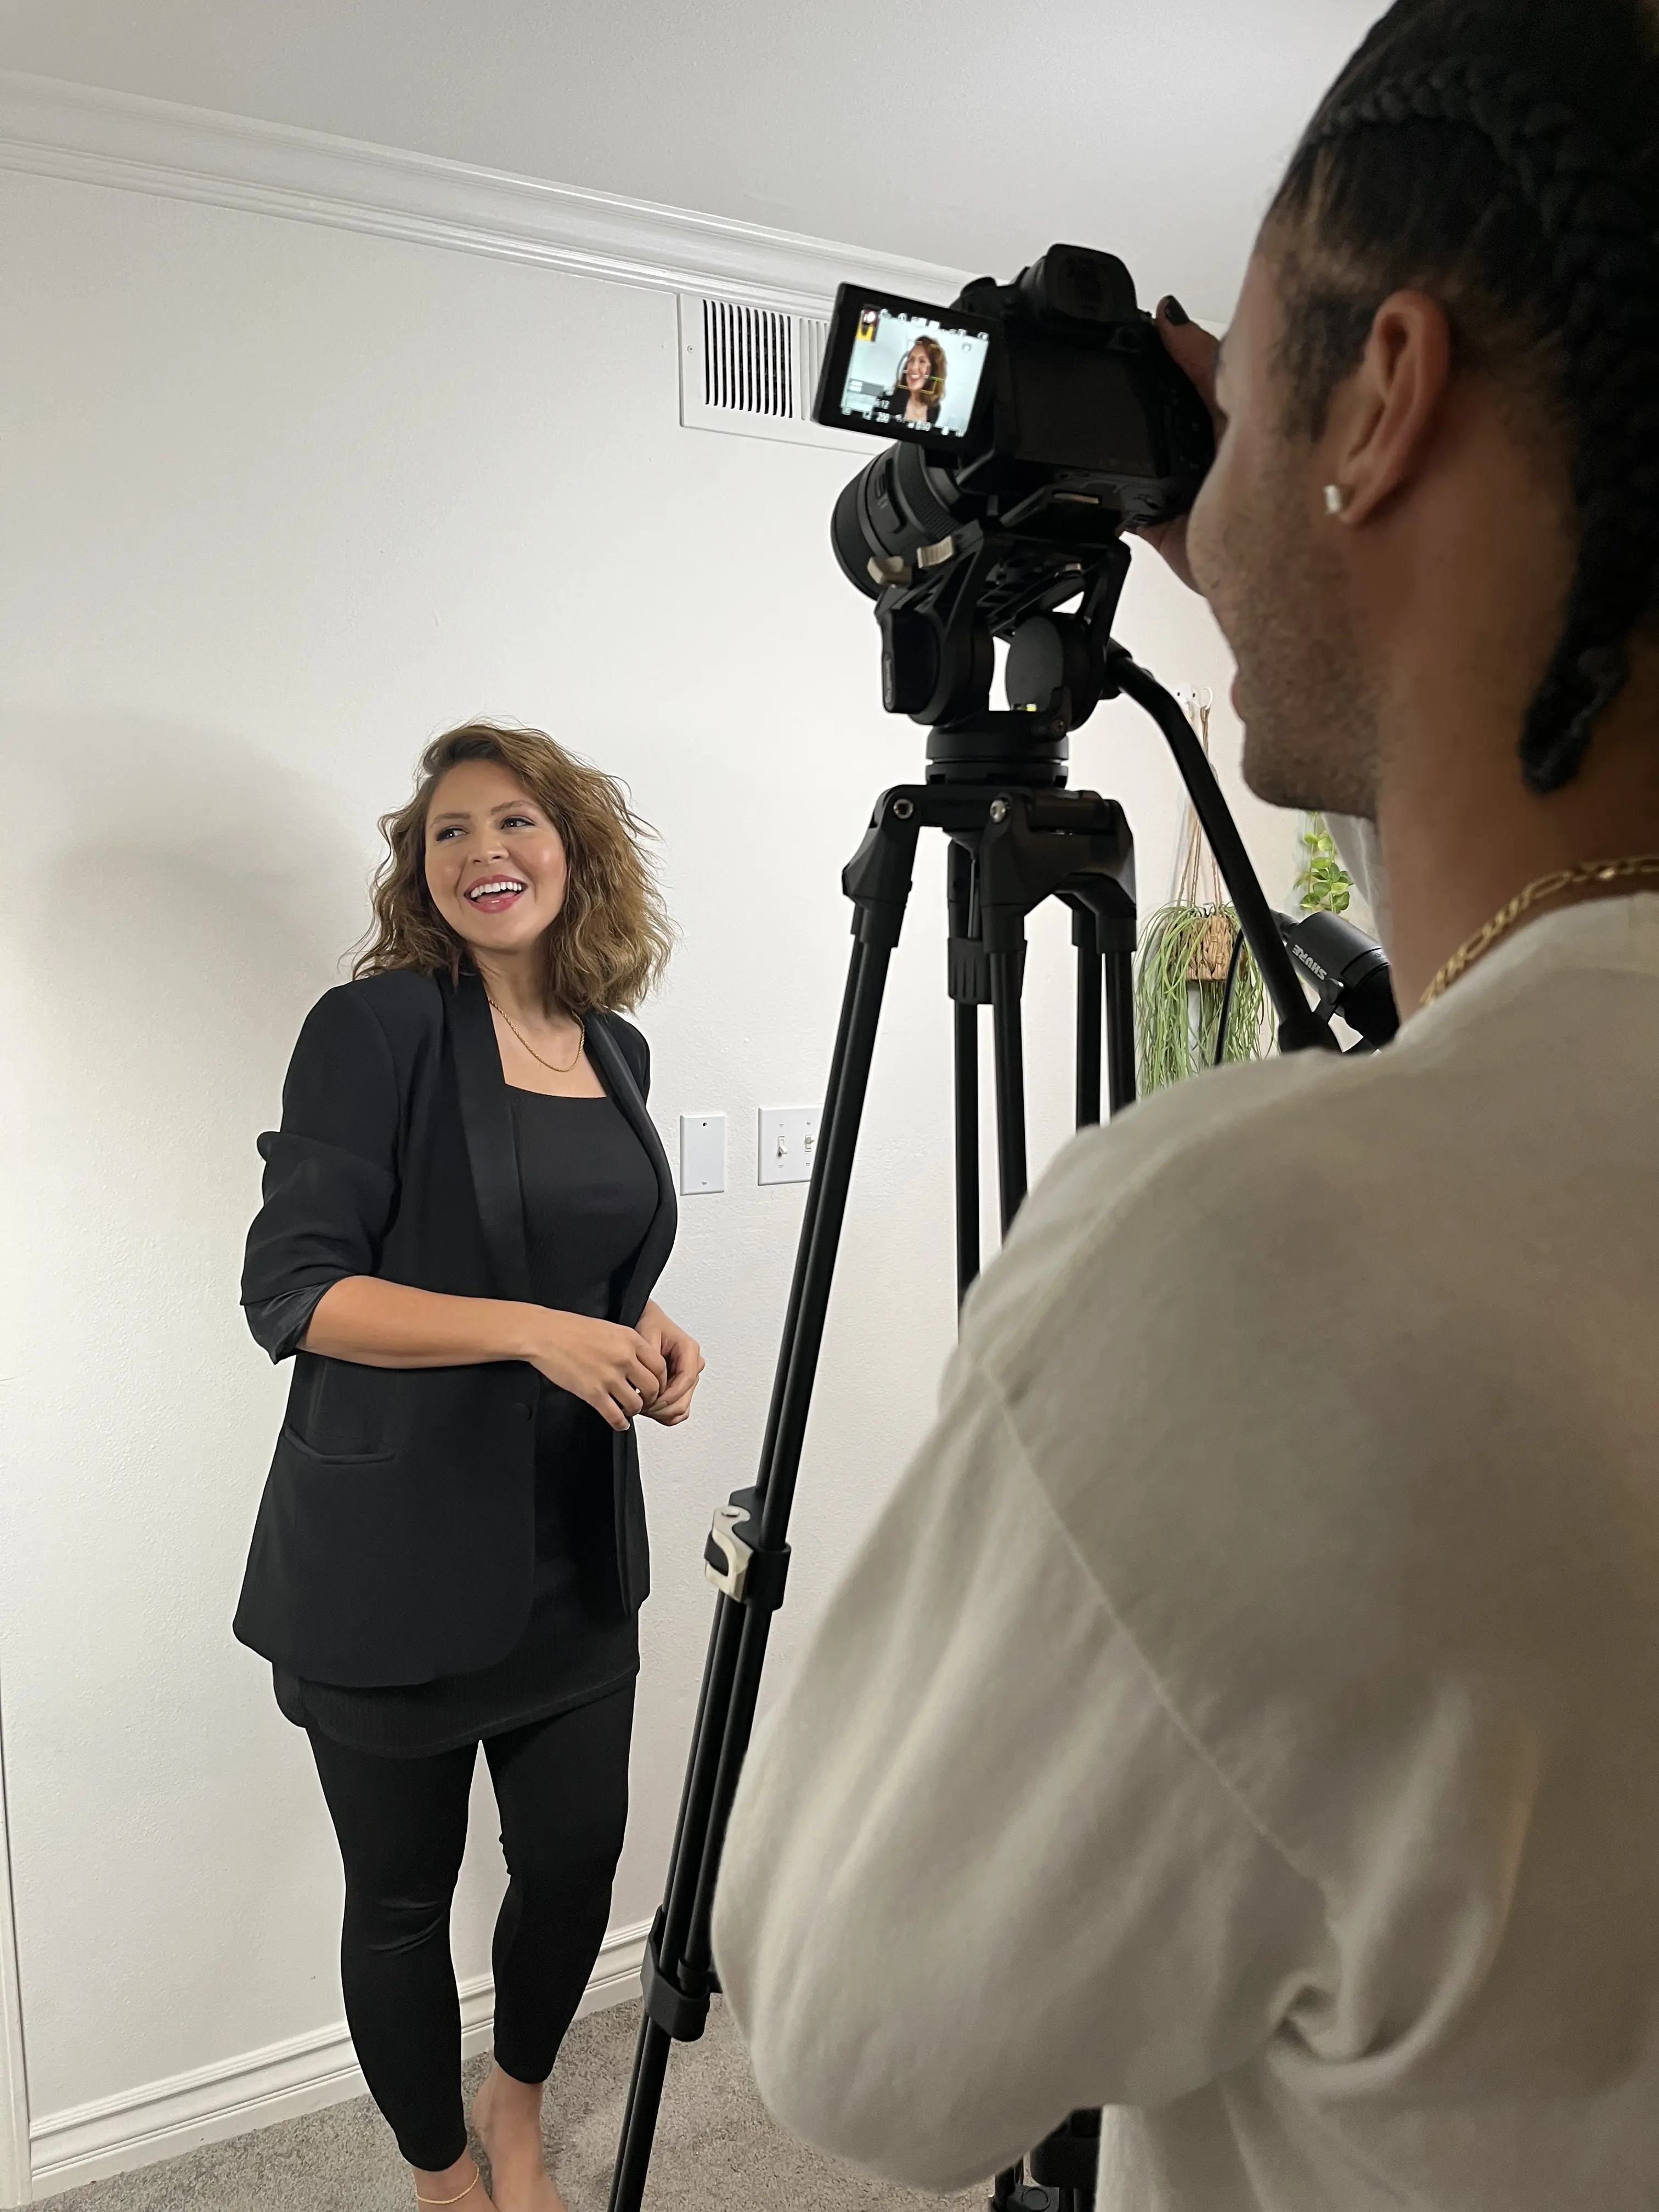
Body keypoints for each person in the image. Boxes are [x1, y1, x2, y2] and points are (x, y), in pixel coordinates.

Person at [709, 2, 1659, 2208]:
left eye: (1243, 395)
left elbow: (853, 2044)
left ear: (1388, 397)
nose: (1190, 480)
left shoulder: (1264, 1259)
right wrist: (1291, 529)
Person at [235, 722, 704, 2212]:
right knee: (401, 1901)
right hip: (389, 1563)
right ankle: (440, 2175)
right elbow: (296, 1293)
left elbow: (567, 1248)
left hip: (572, 1550)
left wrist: (635, 1318)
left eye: (515, 823)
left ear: (574, 850)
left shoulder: (613, 1045)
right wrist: (535, 1333)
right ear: (420, 867)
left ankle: (515, 2108)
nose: (483, 853)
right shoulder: (374, 1030)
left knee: (573, 1867)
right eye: (449, 831)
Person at [887, 333, 947, 426]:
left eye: (922, 361)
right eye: (911, 360)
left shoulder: (934, 408)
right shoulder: (887, 402)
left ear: (933, 371)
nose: (914, 368)